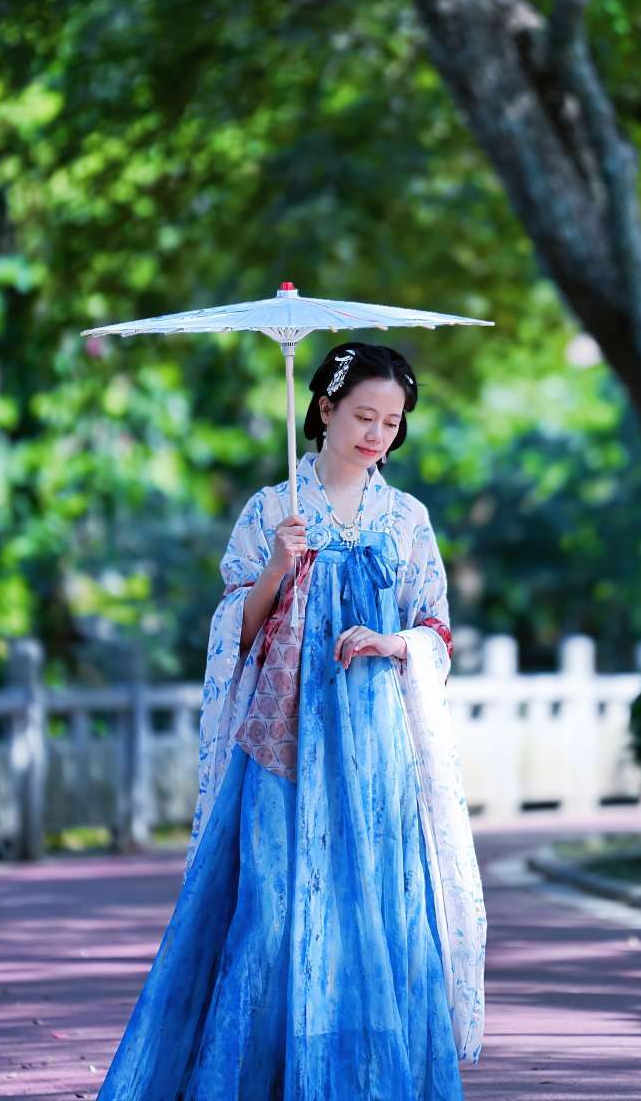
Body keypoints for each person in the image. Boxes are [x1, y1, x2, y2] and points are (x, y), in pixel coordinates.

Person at [97, 341, 486, 1101]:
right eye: (364, 416)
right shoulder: (272, 509)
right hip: (280, 742)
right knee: (271, 910)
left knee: (374, 913)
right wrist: (278, 566)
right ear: (325, 409)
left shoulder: (406, 518)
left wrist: (390, 643)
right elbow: (233, 635)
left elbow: (436, 629)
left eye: (391, 423)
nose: (377, 434)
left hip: (374, 747)